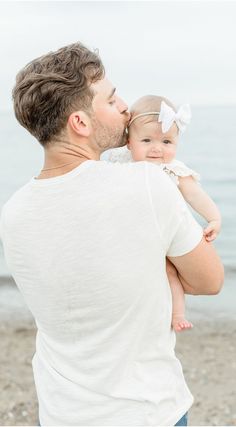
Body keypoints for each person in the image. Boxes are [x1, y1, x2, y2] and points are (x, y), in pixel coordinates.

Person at [0, 42, 223, 426]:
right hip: (146, 411)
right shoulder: (147, 185)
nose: (126, 107)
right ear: (80, 123)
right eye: (112, 98)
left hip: (60, 412)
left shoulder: (13, 211)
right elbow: (211, 280)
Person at [107, 95, 221, 332]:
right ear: (129, 142)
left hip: (162, 235)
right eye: (147, 140)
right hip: (131, 235)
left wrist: (213, 218)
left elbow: (195, 195)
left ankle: (178, 314)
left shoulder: (172, 170)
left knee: (170, 271)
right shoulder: (121, 165)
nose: (157, 148)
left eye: (167, 142)